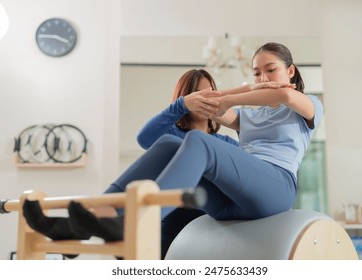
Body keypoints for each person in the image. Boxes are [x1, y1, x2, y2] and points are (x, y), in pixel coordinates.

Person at [24, 41, 323, 259]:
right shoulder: (248, 118)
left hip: (275, 187)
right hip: (231, 201)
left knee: (199, 141)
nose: (263, 79)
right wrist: (187, 103)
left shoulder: (307, 108)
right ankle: (90, 218)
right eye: (256, 74)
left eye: (270, 70)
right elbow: (211, 106)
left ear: (291, 70)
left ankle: (136, 224)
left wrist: (238, 93)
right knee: (171, 142)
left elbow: (284, 94)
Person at [22, 69, 239, 259]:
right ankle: (87, 224)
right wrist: (181, 105)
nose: (207, 98)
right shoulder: (173, 135)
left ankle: (81, 227)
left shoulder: (227, 143)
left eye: (211, 92)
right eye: (199, 94)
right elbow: (144, 138)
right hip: (169, 220)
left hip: (205, 220)